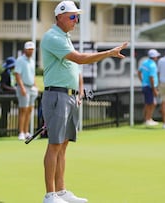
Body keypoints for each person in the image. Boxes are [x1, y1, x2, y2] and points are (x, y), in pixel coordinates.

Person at [40, 1, 127, 203]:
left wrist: (79, 93)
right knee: (54, 145)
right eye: (72, 16)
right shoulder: (53, 37)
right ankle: (50, 195)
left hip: (68, 97)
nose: (76, 20)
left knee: (63, 145)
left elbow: (74, 69)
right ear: (59, 17)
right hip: (56, 95)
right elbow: (79, 59)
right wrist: (109, 53)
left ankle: (61, 191)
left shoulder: (65, 37)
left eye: (77, 16)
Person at [14, 41, 38, 140]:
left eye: (32, 49)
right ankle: (21, 132)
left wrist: (35, 85)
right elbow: (17, 75)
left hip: (31, 87)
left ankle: (27, 131)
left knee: (29, 110)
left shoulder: (32, 61)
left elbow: (33, 75)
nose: (31, 51)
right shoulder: (20, 60)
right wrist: (22, 88)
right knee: (23, 109)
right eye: (29, 49)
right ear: (25, 50)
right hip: (23, 87)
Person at [137, 49, 160, 127]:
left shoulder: (145, 63)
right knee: (151, 103)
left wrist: (142, 81)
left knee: (149, 103)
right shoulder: (152, 65)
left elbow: (139, 72)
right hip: (150, 87)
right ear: (154, 57)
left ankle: (148, 119)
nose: (157, 57)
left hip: (146, 86)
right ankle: (147, 119)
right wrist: (154, 89)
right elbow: (151, 78)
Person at [0, 57, 16, 136]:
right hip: (4, 96)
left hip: (7, 96)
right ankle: (2, 132)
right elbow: (3, 85)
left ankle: (4, 131)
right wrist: (13, 89)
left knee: (5, 114)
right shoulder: (5, 73)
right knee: (4, 114)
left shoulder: (9, 73)